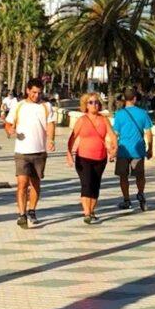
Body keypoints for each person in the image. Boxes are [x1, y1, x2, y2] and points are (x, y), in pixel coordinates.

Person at [4, 79, 56, 228]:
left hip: (39, 151)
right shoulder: (18, 106)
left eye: (39, 92)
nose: (36, 95)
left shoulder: (46, 106)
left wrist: (51, 140)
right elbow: (8, 123)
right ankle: (22, 214)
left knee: (35, 184)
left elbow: (50, 124)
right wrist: (10, 130)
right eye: (33, 92)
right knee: (22, 184)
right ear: (27, 90)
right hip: (22, 151)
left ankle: (32, 210)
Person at [66, 93, 115, 224]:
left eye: (97, 102)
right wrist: (69, 154)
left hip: (100, 157)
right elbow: (72, 137)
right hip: (83, 158)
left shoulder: (104, 119)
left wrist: (114, 149)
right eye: (91, 102)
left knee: (95, 185)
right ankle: (86, 212)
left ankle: (92, 210)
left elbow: (112, 134)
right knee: (86, 184)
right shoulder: (82, 120)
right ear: (85, 105)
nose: (95, 105)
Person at [113, 88, 153, 211]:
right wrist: (150, 148)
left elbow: (115, 134)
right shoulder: (143, 113)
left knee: (123, 176)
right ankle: (140, 193)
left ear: (125, 99)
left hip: (123, 150)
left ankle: (126, 200)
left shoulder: (119, 114)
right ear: (135, 99)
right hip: (138, 150)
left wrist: (113, 150)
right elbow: (148, 133)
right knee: (140, 175)